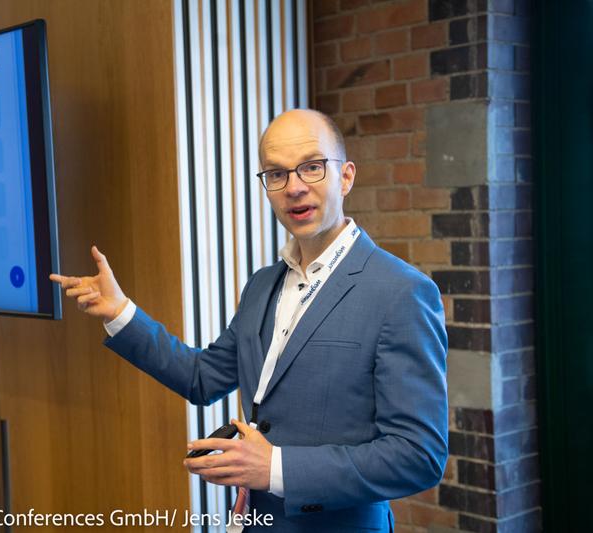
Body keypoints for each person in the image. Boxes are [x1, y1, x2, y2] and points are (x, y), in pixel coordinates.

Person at [50, 109, 448, 532]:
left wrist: (276, 468)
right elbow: (202, 377)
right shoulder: (261, 286)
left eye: (312, 168)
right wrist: (121, 313)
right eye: (276, 174)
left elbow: (417, 456)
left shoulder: (401, 291)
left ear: (345, 176)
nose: (294, 187)